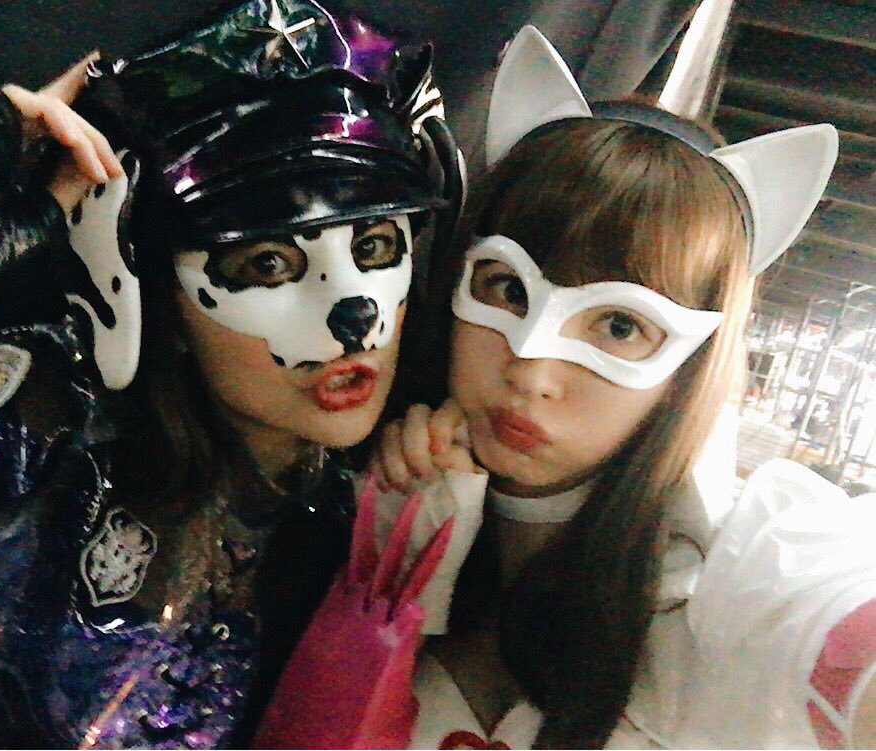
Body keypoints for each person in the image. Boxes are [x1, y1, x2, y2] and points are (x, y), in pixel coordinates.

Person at [254, 27, 876, 749]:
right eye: (506, 289)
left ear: (690, 365)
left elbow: (836, 614)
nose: (532, 367)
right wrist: (392, 578)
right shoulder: (339, 499)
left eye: (618, 325)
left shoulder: (736, 572)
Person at [0, 1, 461, 747]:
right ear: (158, 291)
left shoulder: (354, 525)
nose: (353, 317)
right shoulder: (51, 420)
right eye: (269, 263)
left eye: (374, 247)